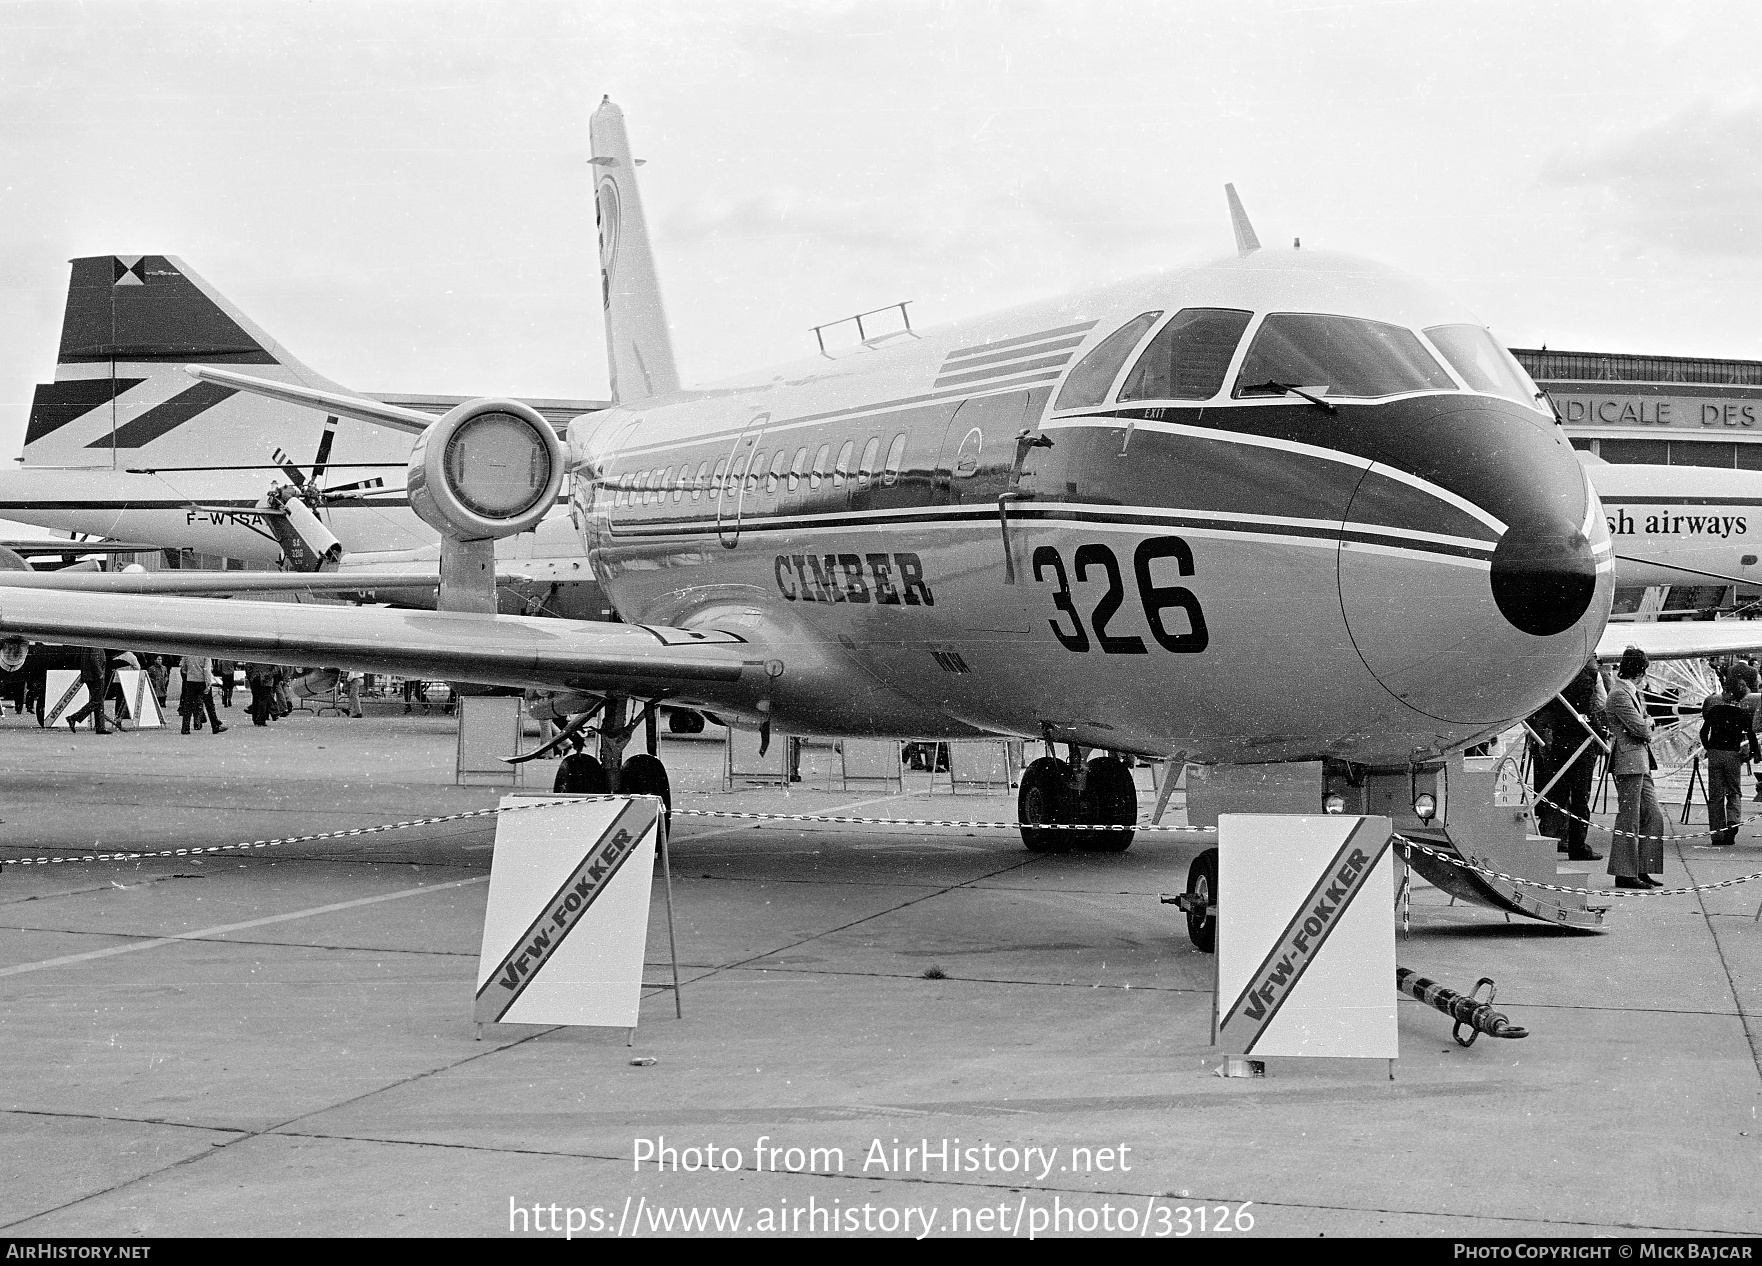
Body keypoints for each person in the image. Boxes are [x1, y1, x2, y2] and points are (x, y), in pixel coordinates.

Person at [1528, 657, 1606, 862]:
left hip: (1559, 741)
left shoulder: (1561, 677)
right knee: (1580, 797)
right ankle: (1577, 845)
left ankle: (1546, 839)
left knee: (1557, 793)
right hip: (1580, 742)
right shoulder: (1585, 680)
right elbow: (1586, 712)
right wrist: (1599, 734)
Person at [1606, 646, 1665, 889]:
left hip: (1639, 760)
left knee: (1652, 814)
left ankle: (1643, 867)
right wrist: (1649, 724)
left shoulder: (1628, 692)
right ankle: (1625, 872)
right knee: (1629, 817)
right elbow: (1640, 728)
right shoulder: (1620, 694)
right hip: (1629, 760)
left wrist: (1645, 724)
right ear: (1640, 672)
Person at [1701, 670, 1760, 847]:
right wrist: (1751, 754)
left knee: (1715, 794)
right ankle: (1732, 821)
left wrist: (1708, 747)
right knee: (1734, 791)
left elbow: (1704, 732)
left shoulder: (1715, 710)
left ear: (1727, 694)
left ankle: (1716, 834)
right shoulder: (1742, 715)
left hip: (1716, 754)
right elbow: (1751, 736)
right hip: (1733, 754)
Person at [65, 646, 113, 734]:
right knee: (97, 701)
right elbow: (94, 659)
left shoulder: (87, 644)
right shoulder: (95, 642)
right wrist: (100, 674)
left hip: (89, 675)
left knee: (99, 701)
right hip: (95, 677)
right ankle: (74, 717)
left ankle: (100, 727)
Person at [178, 654, 227, 736]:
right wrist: (208, 683)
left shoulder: (188, 653)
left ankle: (185, 727)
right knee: (209, 705)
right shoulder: (205, 654)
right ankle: (215, 726)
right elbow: (207, 670)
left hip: (191, 681)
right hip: (202, 681)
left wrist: (191, 673)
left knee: (188, 705)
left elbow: (183, 667)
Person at [245, 662, 276, 726]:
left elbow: (248, 666)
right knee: (263, 700)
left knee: (256, 698)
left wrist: (250, 676)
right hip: (266, 679)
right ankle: (261, 719)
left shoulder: (254, 654)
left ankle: (256, 719)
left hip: (255, 677)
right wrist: (270, 674)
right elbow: (276, 667)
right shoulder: (271, 655)